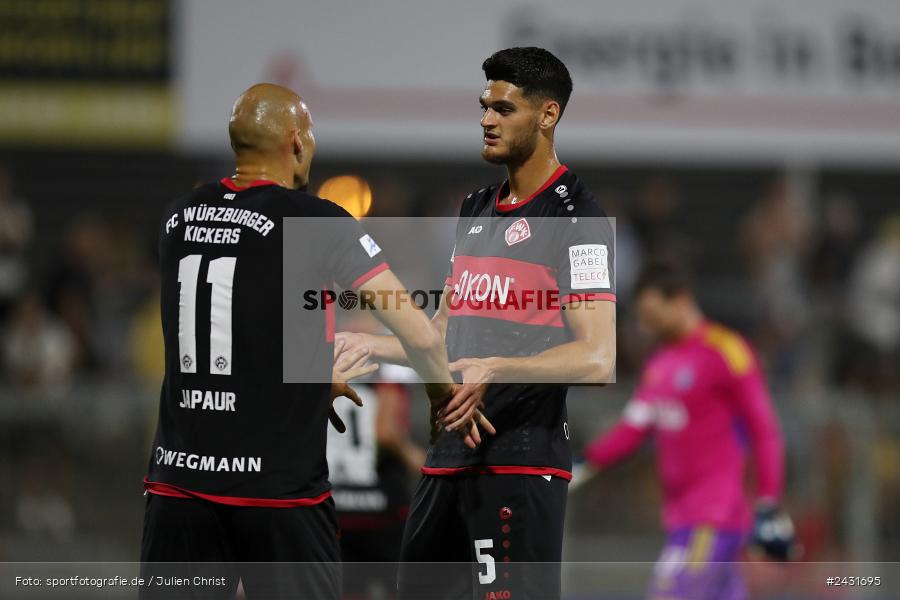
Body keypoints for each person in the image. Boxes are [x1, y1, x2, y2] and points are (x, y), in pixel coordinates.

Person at [140, 83, 488, 600]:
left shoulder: (177, 218)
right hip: (278, 498)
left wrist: (306, 374)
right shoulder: (317, 223)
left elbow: (234, 324)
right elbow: (416, 332)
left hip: (177, 488)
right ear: (297, 143)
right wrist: (441, 398)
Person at [337, 47, 616, 600]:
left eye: (504, 108)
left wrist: (498, 368)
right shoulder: (474, 209)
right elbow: (444, 335)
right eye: (484, 106)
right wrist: (365, 344)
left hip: (519, 463)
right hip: (445, 462)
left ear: (547, 115)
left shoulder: (577, 218)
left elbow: (597, 357)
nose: (487, 119)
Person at [583, 257, 794, 600]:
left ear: (680, 300)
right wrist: (585, 460)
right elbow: (633, 428)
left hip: (712, 516)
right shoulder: (659, 365)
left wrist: (768, 500)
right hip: (681, 517)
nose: (646, 326)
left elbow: (765, 430)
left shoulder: (727, 351)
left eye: (652, 316)